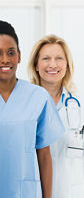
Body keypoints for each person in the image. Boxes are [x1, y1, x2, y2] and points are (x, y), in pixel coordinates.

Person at [0, 21, 65, 198]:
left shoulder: (39, 97)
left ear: (19, 56)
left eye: (11, 52)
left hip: (27, 192)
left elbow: (44, 156)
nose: (5, 59)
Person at [28, 34, 84, 198]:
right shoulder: (25, 105)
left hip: (73, 191)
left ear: (67, 65)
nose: (53, 64)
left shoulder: (79, 106)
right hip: (35, 191)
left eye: (59, 58)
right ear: (36, 65)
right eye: (46, 58)